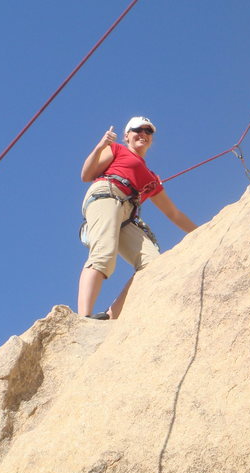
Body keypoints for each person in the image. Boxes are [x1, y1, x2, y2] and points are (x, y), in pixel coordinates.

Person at [78, 116, 197, 320]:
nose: (143, 133)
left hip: (125, 211)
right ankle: (83, 318)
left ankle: (111, 316)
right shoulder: (117, 149)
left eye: (148, 131)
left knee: (153, 264)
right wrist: (100, 146)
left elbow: (173, 213)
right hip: (107, 194)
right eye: (137, 130)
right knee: (104, 255)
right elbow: (86, 175)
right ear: (126, 136)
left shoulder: (151, 179)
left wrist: (201, 232)